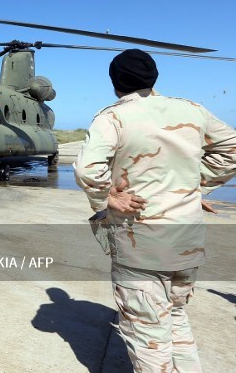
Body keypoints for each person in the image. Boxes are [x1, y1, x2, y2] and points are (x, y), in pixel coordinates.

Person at [73, 49, 236, 372]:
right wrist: (191, 186)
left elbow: (87, 169)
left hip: (141, 243)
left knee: (148, 336)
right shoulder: (193, 110)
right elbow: (231, 150)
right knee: (176, 319)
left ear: (115, 83)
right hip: (187, 244)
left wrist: (107, 198)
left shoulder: (113, 117)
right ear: (154, 78)